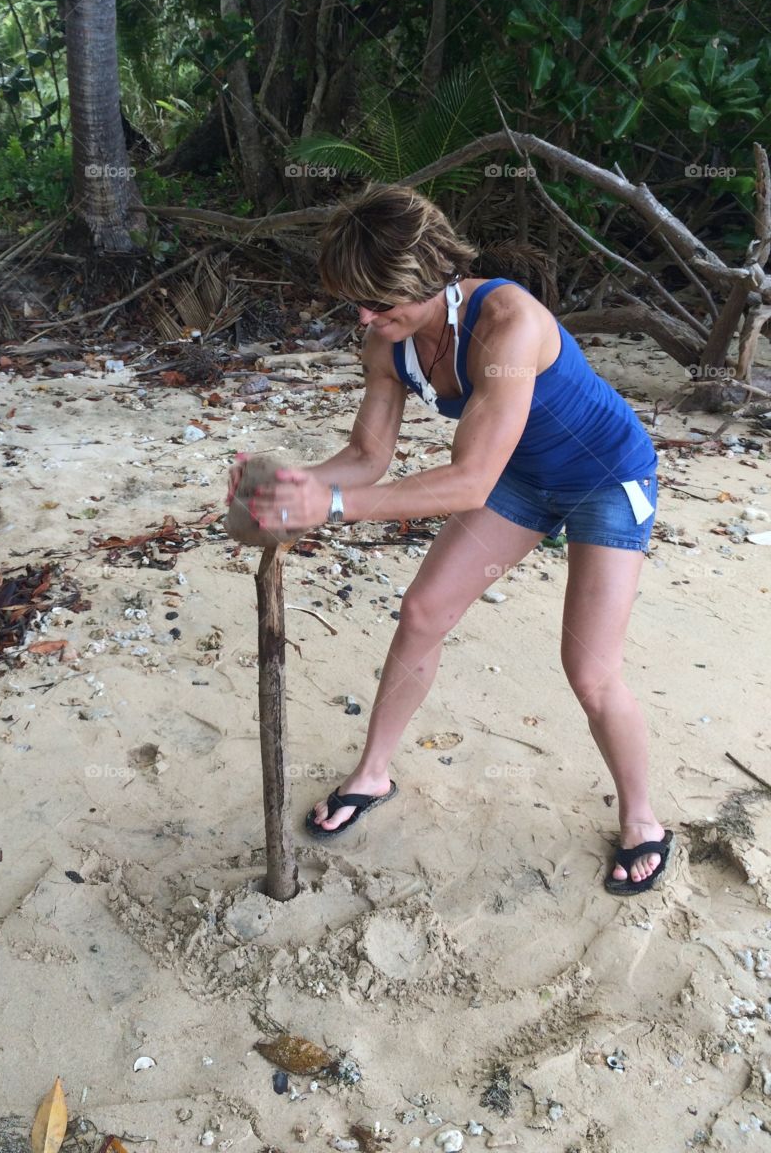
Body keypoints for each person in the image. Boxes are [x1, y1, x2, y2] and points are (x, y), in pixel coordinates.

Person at [226, 183, 673, 896]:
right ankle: (373, 773)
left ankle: (643, 819)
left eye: (381, 303)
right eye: (359, 304)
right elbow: (368, 456)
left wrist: (333, 506)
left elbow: (467, 481)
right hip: (521, 477)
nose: (368, 319)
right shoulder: (388, 338)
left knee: (590, 670)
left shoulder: (508, 323)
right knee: (423, 612)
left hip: (603, 477)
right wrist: (288, 488)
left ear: (429, 277)